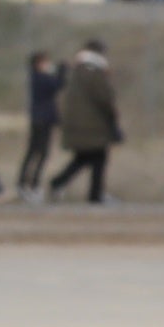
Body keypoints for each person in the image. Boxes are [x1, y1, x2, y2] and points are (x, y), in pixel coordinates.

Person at [54, 36, 120, 202]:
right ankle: (94, 195)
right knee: (97, 158)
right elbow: (104, 97)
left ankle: (61, 183)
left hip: (81, 123)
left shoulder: (79, 69)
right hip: (91, 124)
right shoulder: (93, 70)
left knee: (85, 158)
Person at [16, 49, 61, 197]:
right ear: (38, 64)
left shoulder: (39, 77)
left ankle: (26, 183)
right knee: (38, 153)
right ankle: (30, 184)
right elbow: (56, 85)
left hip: (41, 120)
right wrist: (62, 71)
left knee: (36, 152)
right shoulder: (39, 78)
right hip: (41, 120)